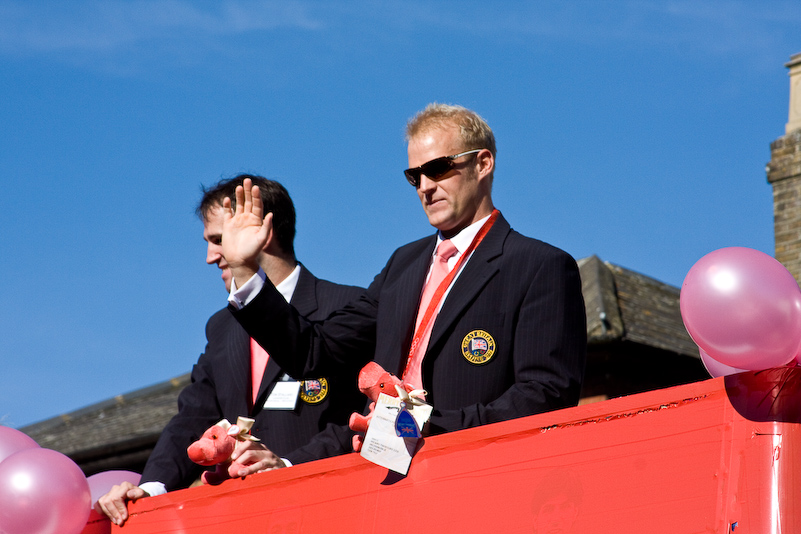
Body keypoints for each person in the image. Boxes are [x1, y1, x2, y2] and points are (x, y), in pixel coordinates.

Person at [222, 103, 587, 465]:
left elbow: (545, 397)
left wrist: (426, 427)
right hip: (382, 485)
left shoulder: (539, 266)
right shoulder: (403, 264)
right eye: (415, 176)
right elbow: (315, 351)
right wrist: (244, 271)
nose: (426, 187)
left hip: (473, 478)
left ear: (483, 163)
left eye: (439, 168)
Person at [95, 175, 365, 525]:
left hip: (331, 512)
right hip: (244, 519)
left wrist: (287, 466)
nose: (210, 257)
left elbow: (363, 418)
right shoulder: (222, 327)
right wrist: (150, 488)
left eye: (218, 240)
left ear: (261, 232)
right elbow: (193, 419)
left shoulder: (347, 306)